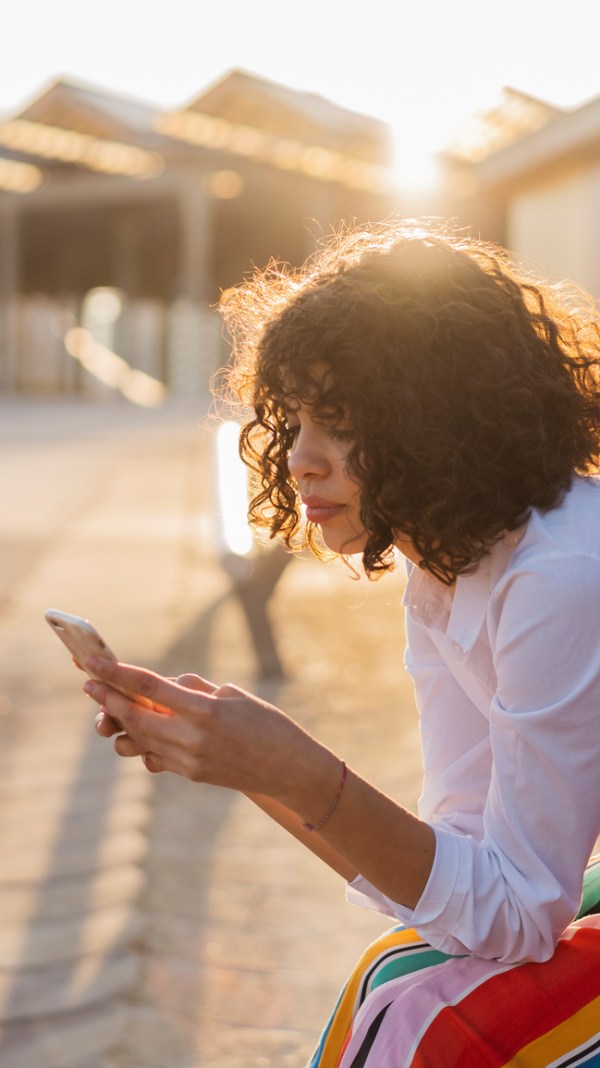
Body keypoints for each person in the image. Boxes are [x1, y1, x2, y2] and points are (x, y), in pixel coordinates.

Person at [84, 219, 600, 1066]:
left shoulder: (562, 572)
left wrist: (296, 772)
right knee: (395, 980)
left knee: (436, 1032)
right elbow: (469, 874)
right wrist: (251, 768)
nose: (299, 458)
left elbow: (516, 914)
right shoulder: (448, 563)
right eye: (293, 418)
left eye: (342, 419)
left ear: (442, 421)